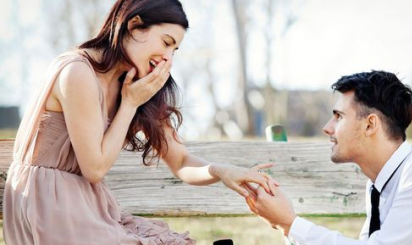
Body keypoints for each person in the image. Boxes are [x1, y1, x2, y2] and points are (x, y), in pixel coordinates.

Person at [2, 0, 274, 244]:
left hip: (89, 207)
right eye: (166, 42)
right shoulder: (77, 72)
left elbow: (180, 161)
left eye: (175, 50)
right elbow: (94, 168)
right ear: (134, 26)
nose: (168, 57)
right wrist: (130, 103)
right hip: (47, 206)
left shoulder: (138, 87)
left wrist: (221, 171)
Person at [245, 71, 412, 244]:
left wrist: (290, 224)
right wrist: (285, 225)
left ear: (370, 125)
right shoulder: (379, 185)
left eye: (339, 116)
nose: (327, 127)